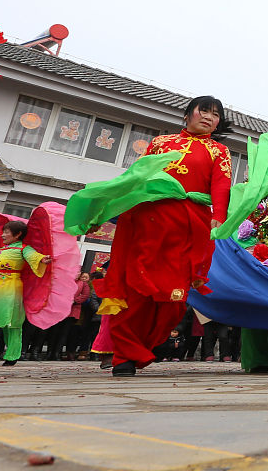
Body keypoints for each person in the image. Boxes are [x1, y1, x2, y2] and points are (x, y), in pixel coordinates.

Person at [93, 96, 232, 377]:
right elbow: (136, 177)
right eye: (203, 110)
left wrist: (220, 215)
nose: (208, 117)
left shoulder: (219, 151)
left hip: (188, 227)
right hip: (148, 221)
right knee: (136, 290)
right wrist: (107, 205)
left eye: (215, 114)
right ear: (187, 114)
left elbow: (221, 184)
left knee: (174, 299)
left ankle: (144, 346)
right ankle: (124, 356)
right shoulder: (160, 143)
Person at [0, 220, 51, 365]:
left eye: (6, 232)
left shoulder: (24, 249)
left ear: (18, 234)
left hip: (10, 290)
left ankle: (12, 355)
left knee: (12, 323)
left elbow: (35, 256)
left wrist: (43, 259)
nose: (2, 235)